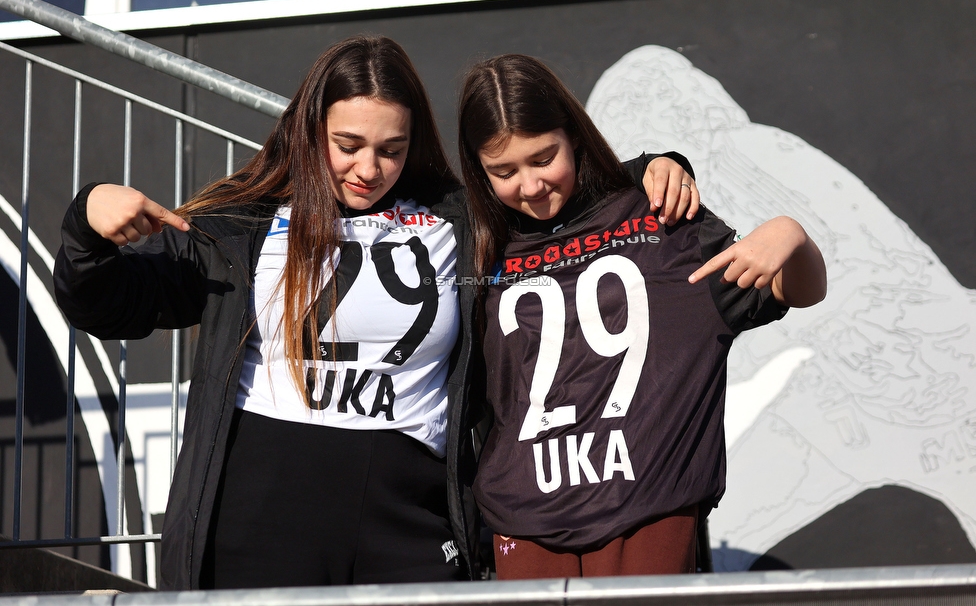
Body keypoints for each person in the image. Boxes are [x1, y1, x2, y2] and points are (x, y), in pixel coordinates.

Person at [53, 36, 697, 589]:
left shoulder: (459, 217)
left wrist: (659, 168)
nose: (369, 168)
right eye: (348, 144)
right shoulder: (240, 225)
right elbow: (103, 304)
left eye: (391, 148)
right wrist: (87, 220)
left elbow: (557, 195)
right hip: (260, 514)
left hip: (411, 518)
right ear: (311, 131)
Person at [456, 54, 827, 579]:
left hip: (649, 510)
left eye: (543, 159)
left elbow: (801, 293)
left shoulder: (658, 219)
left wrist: (791, 235)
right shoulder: (473, 250)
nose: (531, 185)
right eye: (504, 171)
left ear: (575, 136)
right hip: (521, 523)